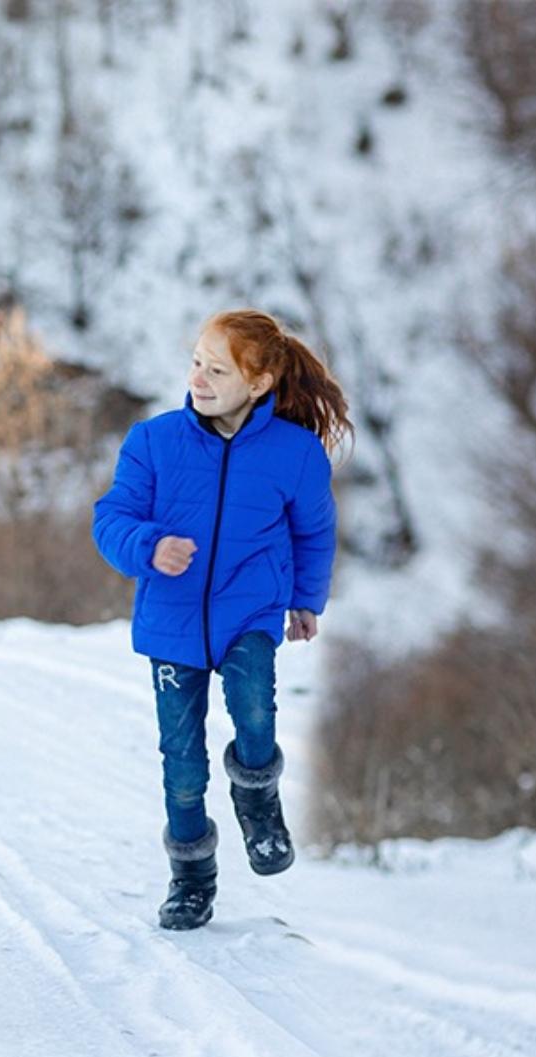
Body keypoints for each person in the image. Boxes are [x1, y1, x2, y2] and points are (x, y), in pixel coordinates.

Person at [91, 309, 350, 931]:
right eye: (196, 363)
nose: (199, 378)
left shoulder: (295, 453)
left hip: (250, 611)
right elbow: (111, 518)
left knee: (255, 715)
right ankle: (191, 880)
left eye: (217, 369)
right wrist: (149, 546)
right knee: (181, 765)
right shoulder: (153, 441)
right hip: (171, 623)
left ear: (258, 383)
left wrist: (307, 600)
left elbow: (314, 531)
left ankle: (258, 803)